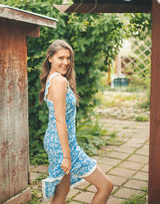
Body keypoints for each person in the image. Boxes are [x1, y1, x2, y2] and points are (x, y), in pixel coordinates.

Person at [40, 40, 113, 204]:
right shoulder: (59, 81)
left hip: (55, 141)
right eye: (61, 58)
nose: (65, 62)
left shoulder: (52, 78)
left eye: (68, 58)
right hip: (63, 145)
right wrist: (67, 156)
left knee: (62, 191)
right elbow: (60, 121)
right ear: (50, 58)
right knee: (106, 186)